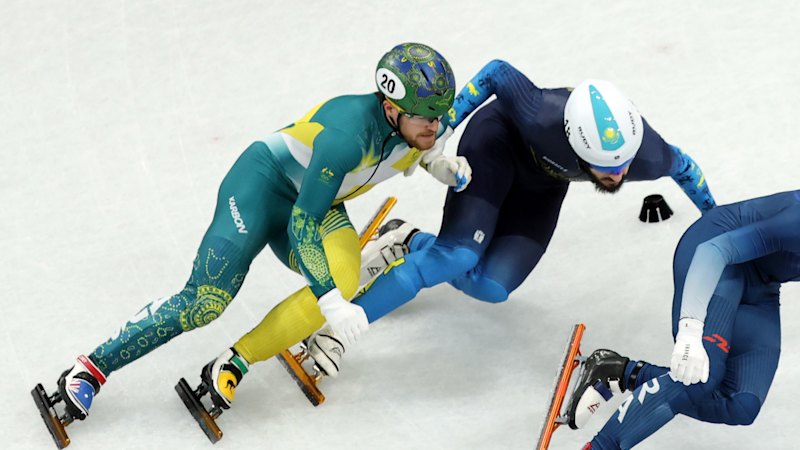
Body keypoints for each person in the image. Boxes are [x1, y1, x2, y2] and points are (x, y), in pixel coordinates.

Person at [44, 42, 471, 424]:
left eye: (438, 117)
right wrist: (328, 301)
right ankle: (91, 369)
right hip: (261, 189)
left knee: (342, 278)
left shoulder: (416, 125)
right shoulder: (347, 136)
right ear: (391, 107)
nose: (434, 127)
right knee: (206, 302)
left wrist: (436, 160)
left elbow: (494, 76)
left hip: (319, 202)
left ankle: (232, 363)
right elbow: (302, 223)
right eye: (425, 120)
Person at [305, 59, 718, 377]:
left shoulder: (646, 153)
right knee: (458, 256)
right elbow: (497, 72)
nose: (618, 177)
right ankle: (338, 331)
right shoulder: (540, 112)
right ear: (576, 143)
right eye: (605, 167)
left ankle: (406, 240)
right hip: (496, 145)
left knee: (491, 286)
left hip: (544, 182)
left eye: (624, 166)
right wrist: (445, 128)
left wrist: (718, 225)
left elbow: (687, 169)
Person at [564, 189, 800, 449]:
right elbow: (715, 251)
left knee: (741, 404)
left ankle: (618, 370)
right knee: (703, 378)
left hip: (761, 283)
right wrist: (690, 328)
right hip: (716, 252)